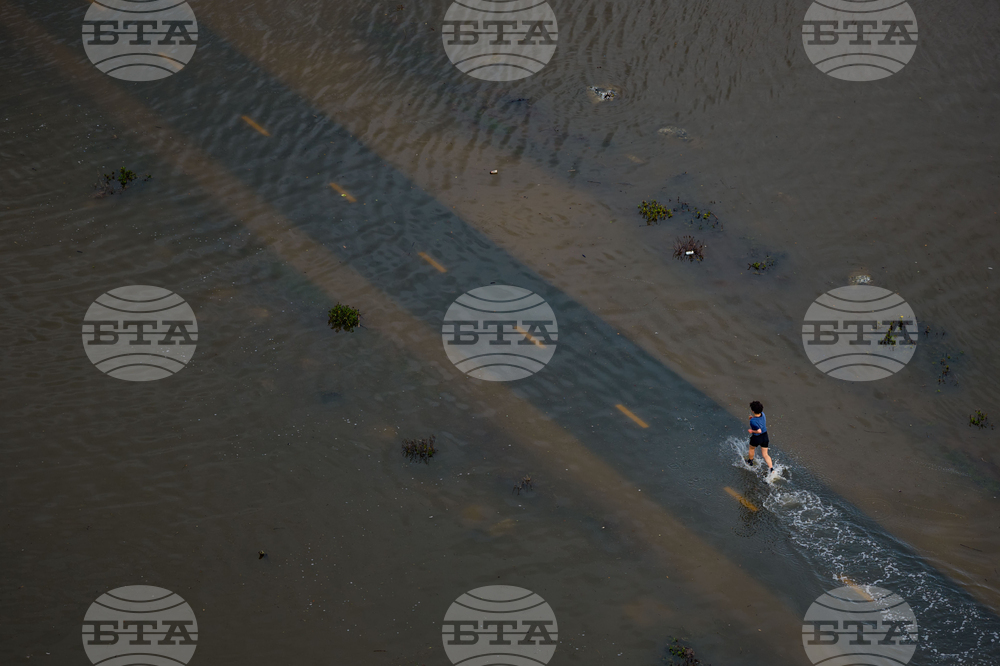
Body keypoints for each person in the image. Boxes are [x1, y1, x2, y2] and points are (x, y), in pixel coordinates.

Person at [746, 400, 773, 474]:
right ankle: (771, 469)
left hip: (757, 437)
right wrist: (753, 418)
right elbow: (759, 421)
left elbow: (759, 431)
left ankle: (750, 462)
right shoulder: (763, 414)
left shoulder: (753, 421)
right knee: (765, 454)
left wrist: (752, 431)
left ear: (753, 411)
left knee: (752, 448)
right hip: (765, 436)